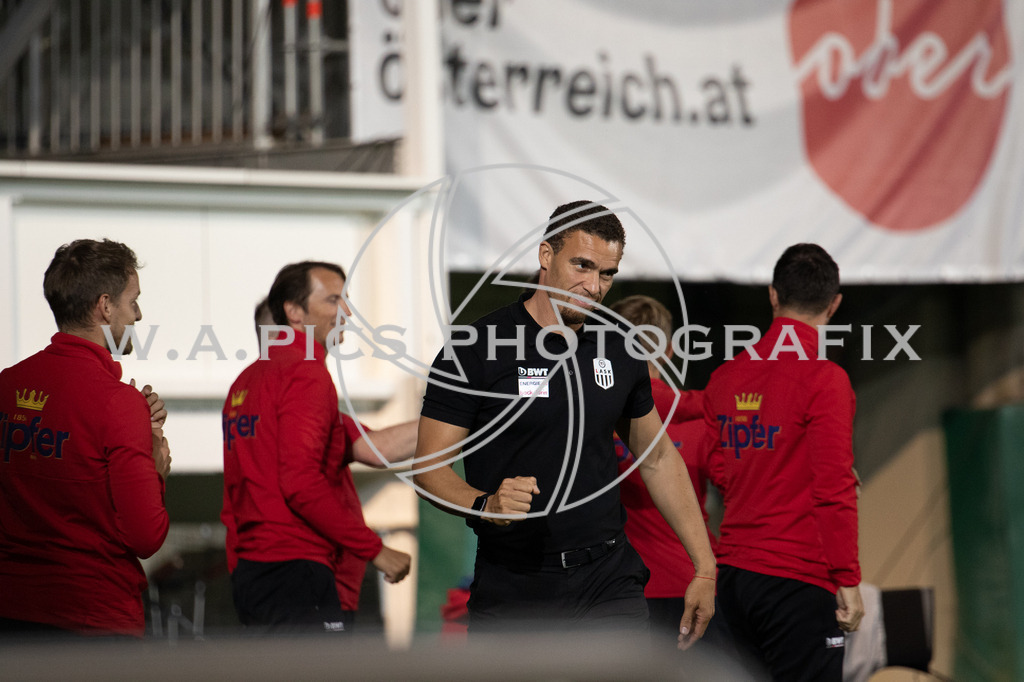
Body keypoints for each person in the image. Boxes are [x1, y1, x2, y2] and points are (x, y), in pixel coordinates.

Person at [413, 201, 716, 645]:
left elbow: (657, 458)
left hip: (610, 582)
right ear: (545, 256)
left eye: (607, 273)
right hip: (516, 586)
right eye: (582, 265)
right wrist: (485, 505)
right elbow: (429, 468)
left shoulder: (621, 349)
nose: (593, 286)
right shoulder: (473, 350)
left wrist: (705, 566)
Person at [701, 243, 864, 681]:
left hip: (734, 578)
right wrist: (848, 579)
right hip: (799, 579)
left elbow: (720, 470)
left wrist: (773, 466)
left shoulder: (725, 376)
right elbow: (834, 490)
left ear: (773, 296)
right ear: (834, 304)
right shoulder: (825, 379)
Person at [221, 262, 411, 634]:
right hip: (297, 569)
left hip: (255, 572)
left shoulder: (245, 383)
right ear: (294, 312)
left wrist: (464, 415)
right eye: (334, 299)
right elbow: (300, 481)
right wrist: (375, 550)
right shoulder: (305, 374)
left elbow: (373, 447)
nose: (347, 312)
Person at [0, 238, 171, 637]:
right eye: (133, 301)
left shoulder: (7, 387)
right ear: (105, 306)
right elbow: (146, 536)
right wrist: (157, 467)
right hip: (92, 621)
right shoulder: (116, 402)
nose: (139, 315)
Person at [609, 295, 716, 646]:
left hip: (619, 586)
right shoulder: (704, 415)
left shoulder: (597, 416)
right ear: (668, 350)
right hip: (694, 580)